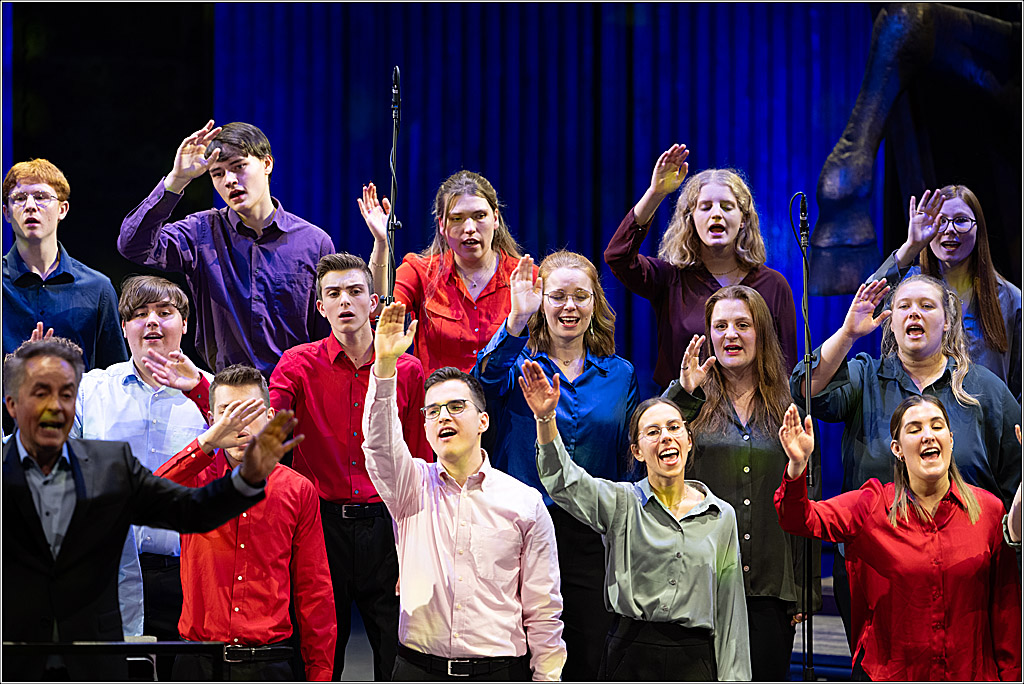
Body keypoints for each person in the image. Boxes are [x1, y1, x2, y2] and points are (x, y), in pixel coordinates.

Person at [2, 338, 297, 681]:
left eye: (66, 395)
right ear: (12, 404)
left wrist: (241, 471)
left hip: (94, 641)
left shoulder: (110, 463)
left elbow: (188, 507)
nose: (54, 407)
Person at [792, 274, 1022, 647]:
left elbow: (1017, 481)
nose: (914, 313)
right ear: (891, 320)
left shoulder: (984, 389)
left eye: (926, 306)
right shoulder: (865, 375)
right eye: (904, 306)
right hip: (876, 573)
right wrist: (848, 334)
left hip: (965, 576)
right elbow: (804, 389)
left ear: (946, 322)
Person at [362, 302, 567, 681]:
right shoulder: (411, 488)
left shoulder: (524, 503)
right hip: (418, 669)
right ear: (424, 428)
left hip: (497, 671)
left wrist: (547, 677)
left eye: (457, 406)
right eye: (433, 411)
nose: (444, 416)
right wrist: (385, 368)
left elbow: (543, 608)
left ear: (483, 421)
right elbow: (378, 446)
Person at [524, 362, 750, 681]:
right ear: (638, 450)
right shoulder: (623, 503)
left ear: (688, 440)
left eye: (674, 428)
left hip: (695, 661)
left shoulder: (720, 515)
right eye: (653, 432)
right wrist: (546, 419)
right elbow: (562, 480)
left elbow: (730, 610)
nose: (666, 438)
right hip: (632, 656)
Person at [472, 250, 637, 680]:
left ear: (594, 304)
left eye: (580, 296)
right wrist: (516, 321)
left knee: (588, 654)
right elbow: (482, 379)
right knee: (519, 651)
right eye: (558, 296)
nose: (569, 306)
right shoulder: (517, 365)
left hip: (592, 535)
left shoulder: (620, 375)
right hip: (523, 530)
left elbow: (628, 459)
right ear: (541, 302)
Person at [775, 396, 1021, 681]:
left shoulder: (988, 510)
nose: (928, 435)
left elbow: (1006, 608)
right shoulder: (870, 505)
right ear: (898, 449)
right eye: (915, 429)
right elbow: (798, 519)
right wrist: (796, 466)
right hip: (892, 674)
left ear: (951, 440)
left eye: (936, 426)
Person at [663, 285, 820, 681]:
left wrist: (803, 586)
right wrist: (683, 393)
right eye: (721, 326)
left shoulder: (787, 402)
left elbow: (807, 495)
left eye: (743, 325)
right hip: (703, 583)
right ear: (709, 335)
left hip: (770, 585)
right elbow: (652, 462)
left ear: (761, 333)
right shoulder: (692, 400)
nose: (731, 334)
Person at [153, 365, 335, 681]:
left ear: (268, 416)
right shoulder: (193, 479)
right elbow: (149, 496)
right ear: (211, 421)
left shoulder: (297, 489)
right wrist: (207, 442)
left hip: (269, 662)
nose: (238, 425)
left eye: (248, 412)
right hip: (198, 662)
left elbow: (314, 590)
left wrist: (320, 674)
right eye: (226, 414)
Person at [71, 275, 212, 676]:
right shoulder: (91, 390)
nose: (151, 322)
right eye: (139, 314)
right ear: (124, 328)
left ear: (184, 324)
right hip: (110, 575)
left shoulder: (213, 392)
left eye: (164, 313)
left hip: (190, 577)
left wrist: (202, 391)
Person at [117, 120, 335, 377]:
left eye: (239, 167)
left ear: (267, 164)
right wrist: (177, 180)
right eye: (218, 173)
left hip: (294, 392)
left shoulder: (313, 242)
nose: (229, 180)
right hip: (224, 391)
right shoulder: (201, 231)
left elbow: (327, 331)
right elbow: (134, 245)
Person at [603, 144, 798, 389]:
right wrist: (656, 193)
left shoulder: (773, 285)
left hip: (754, 422)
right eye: (705, 207)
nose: (716, 214)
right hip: (683, 421)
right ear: (691, 219)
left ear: (743, 220)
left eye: (727, 207)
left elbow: (787, 370)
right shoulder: (670, 279)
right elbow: (618, 257)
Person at [358, 171, 528, 374]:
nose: (469, 228)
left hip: (505, 403)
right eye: (457, 218)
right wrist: (381, 242)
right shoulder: (419, 272)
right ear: (441, 225)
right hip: (439, 403)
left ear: (496, 218)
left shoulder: (526, 278)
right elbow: (376, 309)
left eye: (480, 216)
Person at [867, 185, 1022, 400]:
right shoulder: (908, 286)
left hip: (985, 424)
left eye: (961, 220)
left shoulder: (1010, 299)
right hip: (920, 424)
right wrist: (911, 246)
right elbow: (866, 307)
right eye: (940, 221)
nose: (950, 229)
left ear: (979, 229)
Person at [3, 158, 127, 394]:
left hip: (78, 427)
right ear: (6, 213)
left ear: (62, 209)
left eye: (40, 197)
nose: (30, 205)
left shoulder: (97, 288)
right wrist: (16, 367)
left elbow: (113, 380)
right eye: (19, 198)